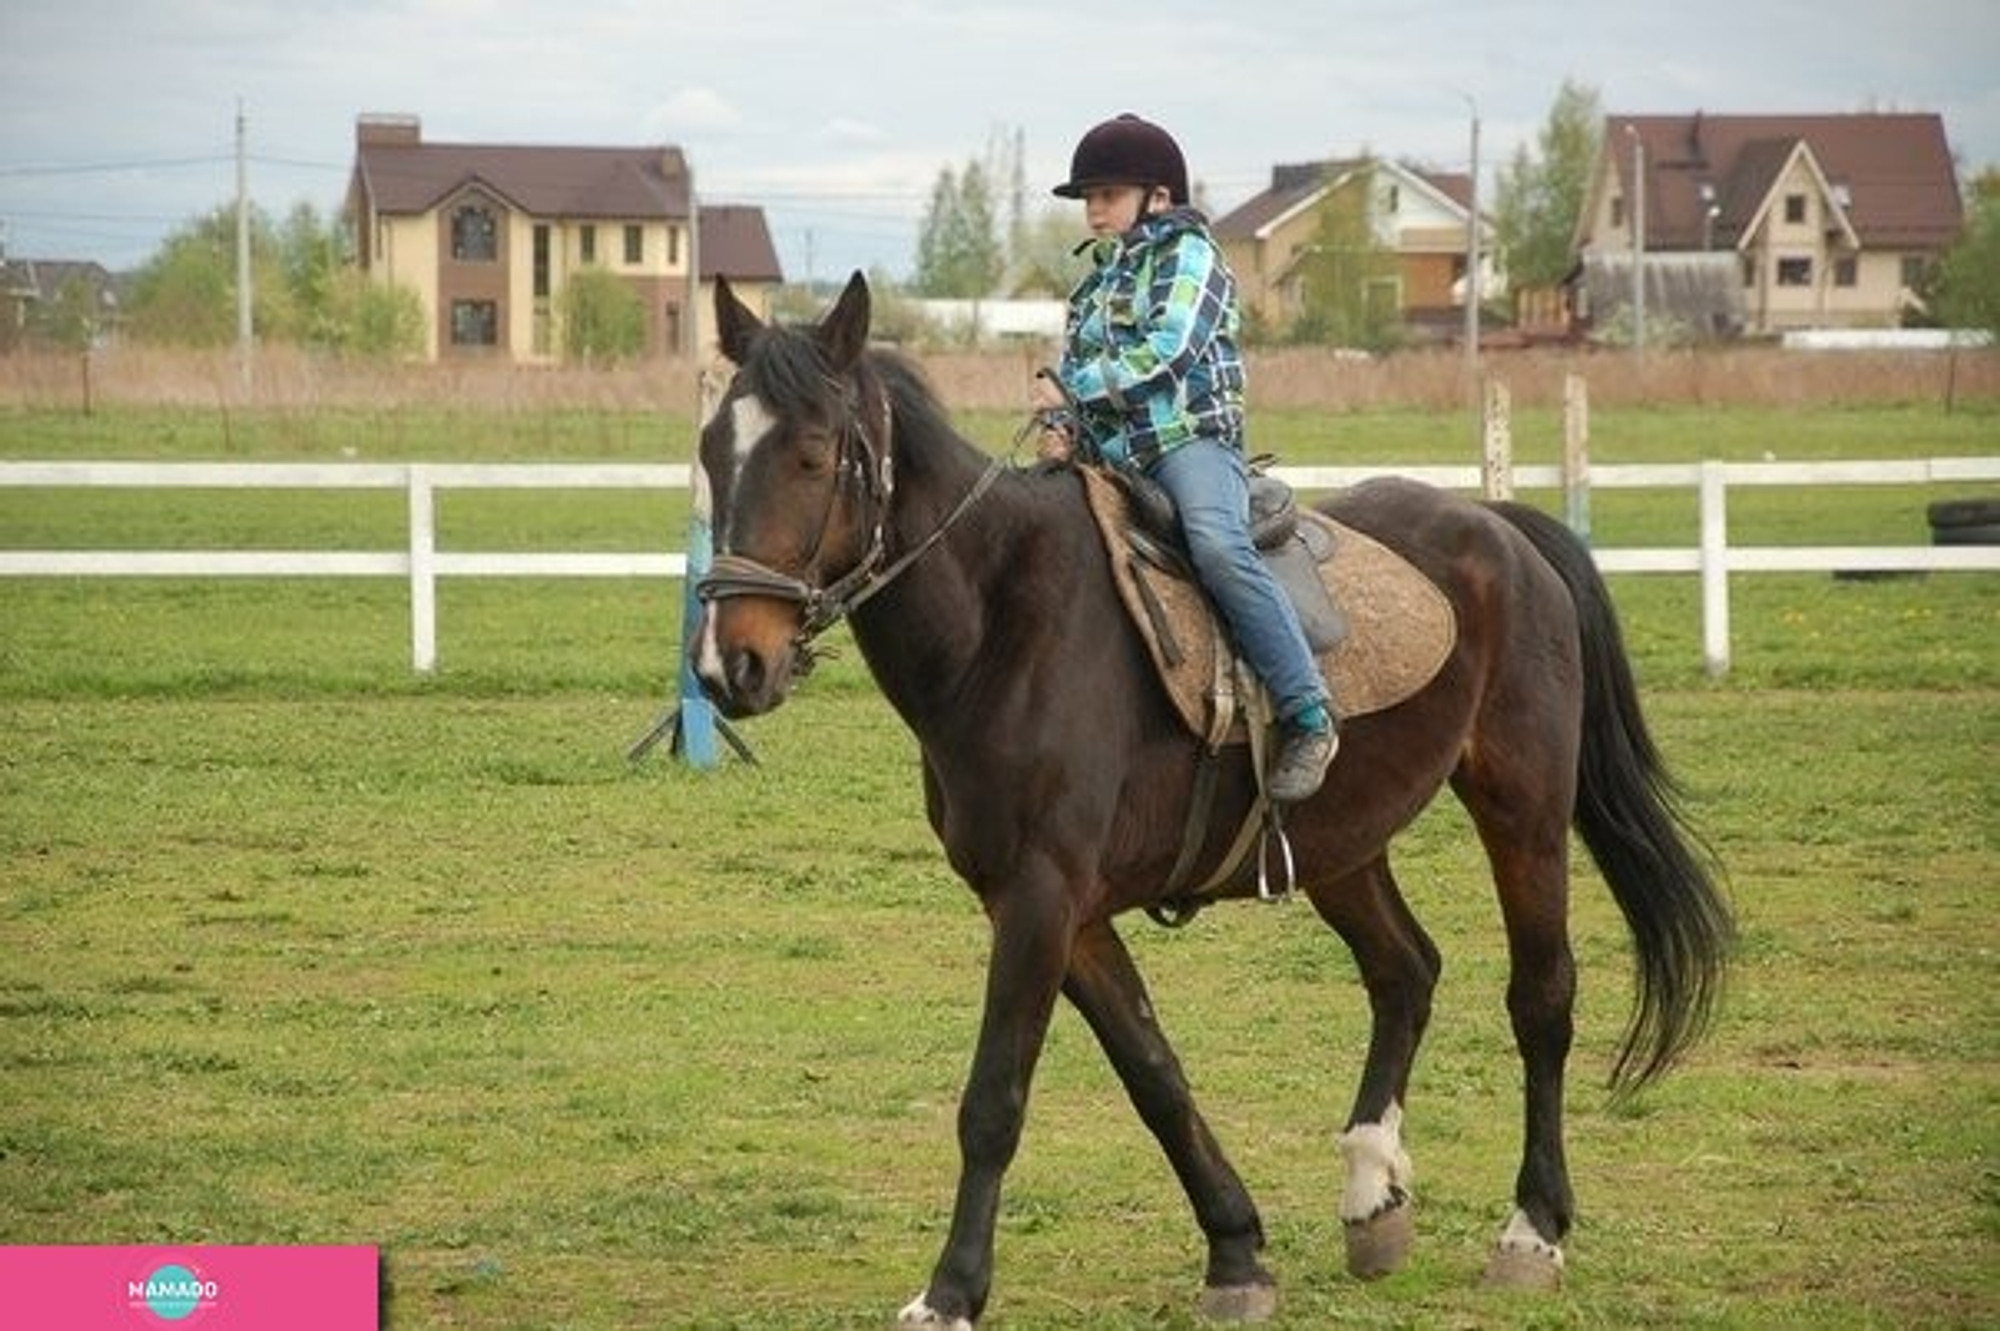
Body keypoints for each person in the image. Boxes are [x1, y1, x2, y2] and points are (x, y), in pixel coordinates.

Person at [1034, 112, 1337, 803]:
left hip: (1187, 446)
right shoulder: (1095, 285)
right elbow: (1070, 366)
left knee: (1217, 544)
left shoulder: (1192, 259)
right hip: (1110, 455)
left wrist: (1068, 390)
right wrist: (1057, 423)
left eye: (1108, 194)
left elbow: (1165, 354)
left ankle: (1309, 710)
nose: (1094, 209)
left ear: (1158, 198)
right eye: (1089, 197)